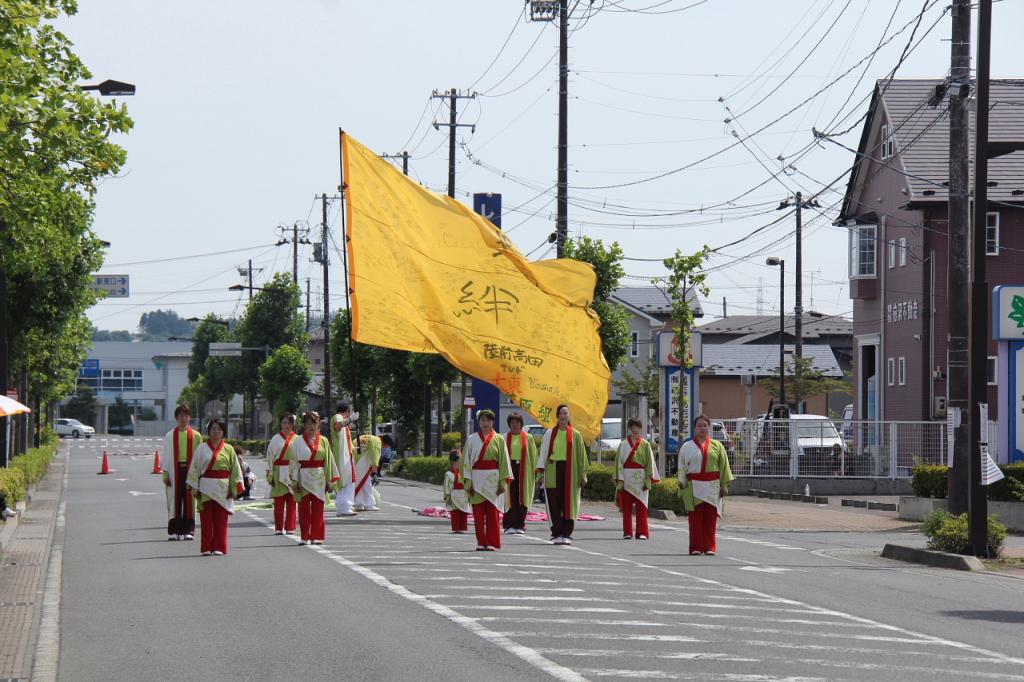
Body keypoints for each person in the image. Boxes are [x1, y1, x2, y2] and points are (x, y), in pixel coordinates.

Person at [185, 418, 244, 556]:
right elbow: (195, 468)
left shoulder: (229, 449)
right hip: (205, 486)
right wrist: (195, 487)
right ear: (209, 431)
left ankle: (219, 547)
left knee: (221, 520)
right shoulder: (201, 448)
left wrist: (233, 488)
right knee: (206, 519)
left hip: (223, 487)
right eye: (213, 429)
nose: (216, 431)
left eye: (219, 429)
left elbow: (235, 470)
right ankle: (206, 547)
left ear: (223, 432)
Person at [679, 413, 735, 556]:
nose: (702, 428)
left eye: (705, 425)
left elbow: (724, 466)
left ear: (709, 428)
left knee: (710, 518)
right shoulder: (687, 446)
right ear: (694, 428)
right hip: (694, 485)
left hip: (712, 486)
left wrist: (724, 485)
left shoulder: (718, 446)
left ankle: (710, 547)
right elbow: (682, 466)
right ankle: (696, 547)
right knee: (695, 519)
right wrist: (682, 483)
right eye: (699, 425)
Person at [537, 404, 588, 546]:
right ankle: (556, 532)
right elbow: (543, 453)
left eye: (566, 413)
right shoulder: (549, 433)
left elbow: (581, 457)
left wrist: (583, 475)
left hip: (570, 471)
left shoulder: (576, 435)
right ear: (557, 416)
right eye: (561, 413)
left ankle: (566, 533)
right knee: (554, 502)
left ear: (569, 416)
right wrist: (540, 472)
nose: (563, 416)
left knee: (569, 503)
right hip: (553, 469)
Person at [463, 409, 513, 551]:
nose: (485, 423)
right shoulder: (472, 439)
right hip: (476, 478)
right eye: (483, 420)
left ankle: (492, 542)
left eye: (488, 420)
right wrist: (468, 482)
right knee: (478, 513)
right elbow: (465, 461)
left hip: (493, 480)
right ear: (479, 422)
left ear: (492, 421)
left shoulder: (499, 439)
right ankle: (481, 542)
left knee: (492, 513)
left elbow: (504, 462)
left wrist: (503, 483)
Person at [290, 411, 340, 545]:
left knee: (318, 509)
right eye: (308, 424)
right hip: (303, 477)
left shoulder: (323, 440)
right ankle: (305, 536)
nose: (311, 427)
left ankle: (316, 536)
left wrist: (329, 481)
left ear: (318, 425)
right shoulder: (297, 441)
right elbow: (294, 461)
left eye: (314, 424)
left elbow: (328, 461)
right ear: (304, 425)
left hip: (319, 477)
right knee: (304, 509)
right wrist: (295, 480)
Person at [162, 404, 203, 541]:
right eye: (181, 416)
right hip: (175, 470)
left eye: (186, 416)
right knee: (175, 499)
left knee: (190, 500)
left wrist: (200, 473)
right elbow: (166, 455)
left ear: (190, 417)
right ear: (176, 418)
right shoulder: (169, 436)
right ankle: (175, 530)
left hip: (191, 471)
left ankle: (188, 530)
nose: (183, 419)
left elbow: (201, 455)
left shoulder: (196, 436)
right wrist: (165, 473)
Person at [616, 418, 660, 540]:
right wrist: (620, 479)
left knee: (642, 507)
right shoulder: (623, 445)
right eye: (633, 428)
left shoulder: (645, 445)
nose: (635, 430)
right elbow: (619, 463)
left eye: (637, 428)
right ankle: (627, 532)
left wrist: (648, 479)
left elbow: (650, 463)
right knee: (627, 508)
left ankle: (642, 532)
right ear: (629, 429)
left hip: (641, 478)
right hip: (627, 478)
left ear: (640, 429)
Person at [503, 412, 538, 535]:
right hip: (509, 468)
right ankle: (509, 525)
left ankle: (520, 525)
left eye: (517, 422)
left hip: (524, 469)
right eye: (512, 422)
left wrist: (537, 472)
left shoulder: (528, 438)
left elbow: (534, 455)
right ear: (509, 424)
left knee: (522, 498)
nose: (515, 425)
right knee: (510, 497)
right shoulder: (504, 438)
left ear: (521, 424)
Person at [266, 413, 299, 535]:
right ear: (281, 424)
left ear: (293, 425)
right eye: (284, 423)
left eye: (289, 423)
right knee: (279, 502)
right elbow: (269, 457)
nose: (287, 425)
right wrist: (269, 473)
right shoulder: (275, 439)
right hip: (278, 471)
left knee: (292, 501)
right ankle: (279, 527)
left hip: (292, 472)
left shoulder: (297, 439)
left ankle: (290, 527)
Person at [330, 400, 358, 516]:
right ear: (347, 411)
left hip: (346, 455)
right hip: (341, 456)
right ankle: (344, 506)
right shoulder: (337, 417)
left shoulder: (345, 424)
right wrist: (351, 419)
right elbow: (337, 425)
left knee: (348, 481)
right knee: (345, 481)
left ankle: (345, 506)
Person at [442, 451, 470, 533]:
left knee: (464, 511)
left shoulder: (464, 472)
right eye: (459, 461)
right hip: (454, 494)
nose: (461, 463)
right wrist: (447, 496)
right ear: (454, 462)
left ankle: (462, 527)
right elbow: (446, 487)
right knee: (455, 512)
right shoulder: (449, 474)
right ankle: (456, 528)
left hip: (464, 494)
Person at [353, 433, 382, 511]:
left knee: (358, 484)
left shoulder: (362, 438)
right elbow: (374, 454)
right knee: (366, 483)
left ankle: (358, 504)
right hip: (362, 463)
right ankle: (369, 504)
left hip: (354, 460)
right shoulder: (377, 441)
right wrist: (375, 472)